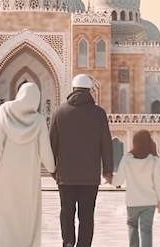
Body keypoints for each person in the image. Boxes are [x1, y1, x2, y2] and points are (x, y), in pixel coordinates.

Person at [49, 74, 113, 247]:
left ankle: (68, 242)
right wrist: (108, 170)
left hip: (65, 176)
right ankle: (84, 244)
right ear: (90, 89)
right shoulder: (98, 113)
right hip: (90, 177)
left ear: (73, 89)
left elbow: (52, 144)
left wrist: (52, 169)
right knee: (86, 215)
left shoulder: (59, 112)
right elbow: (106, 143)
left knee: (67, 212)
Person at [0, 82, 56, 247]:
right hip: (29, 172)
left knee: (7, 208)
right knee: (28, 210)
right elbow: (45, 151)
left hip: (8, 170)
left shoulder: (4, 110)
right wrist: (53, 169)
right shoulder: (39, 120)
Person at [113, 129, 160, 247]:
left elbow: (118, 181)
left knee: (132, 228)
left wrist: (109, 178)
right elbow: (158, 182)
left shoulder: (126, 159)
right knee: (146, 231)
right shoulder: (154, 160)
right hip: (149, 202)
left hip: (132, 202)